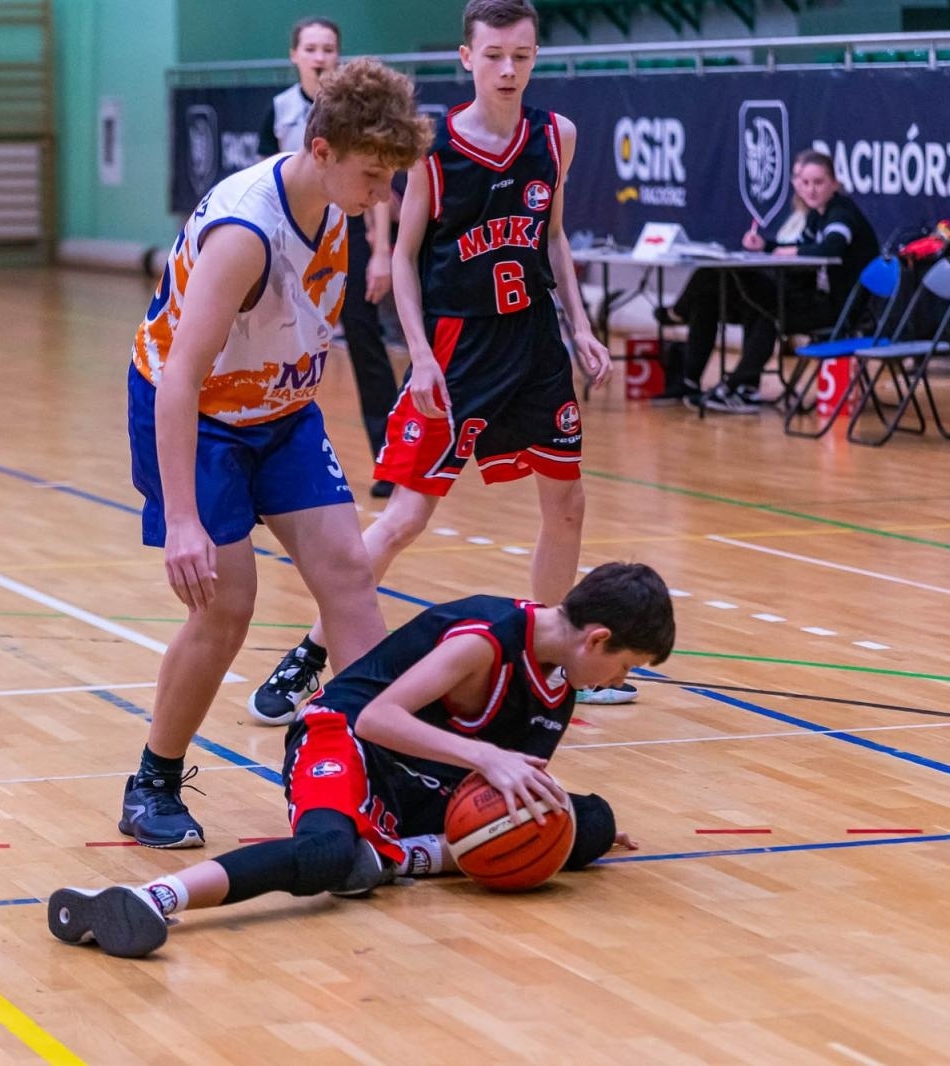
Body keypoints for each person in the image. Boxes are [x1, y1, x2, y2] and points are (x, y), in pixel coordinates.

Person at [251, 0, 626, 726]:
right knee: (403, 519)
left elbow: (552, 238)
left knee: (568, 503)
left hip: (535, 344)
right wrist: (419, 356)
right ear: (466, 59)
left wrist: (581, 326)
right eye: (493, 55)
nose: (508, 69)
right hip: (458, 348)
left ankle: (547, 664)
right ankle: (309, 652)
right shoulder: (436, 148)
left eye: (521, 54)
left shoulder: (559, 136)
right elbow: (403, 255)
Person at [48, 562, 674, 958]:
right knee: (323, 854)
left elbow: (505, 783)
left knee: (583, 823)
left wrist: (553, 821)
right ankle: (147, 899)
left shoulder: (558, 684)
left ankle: (386, 856)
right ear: (596, 638)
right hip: (344, 734)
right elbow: (380, 719)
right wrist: (485, 756)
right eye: (624, 665)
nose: (618, 678)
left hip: (420, 769)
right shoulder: (485, 639)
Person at [118, 58, 431, 850]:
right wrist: (183, 519)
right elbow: (179, 377)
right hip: (202, 415)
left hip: (283, 413)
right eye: (373, 175)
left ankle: (375, 771)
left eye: (391, 178)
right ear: (321, 151)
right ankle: (152, 778)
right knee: (226, 607)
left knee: (349, 580)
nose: (382, 196)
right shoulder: (245, 234)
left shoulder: (338, 200)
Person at [260, 17, 400, 500]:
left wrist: (381, 251)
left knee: (365, 340)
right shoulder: (278, 110)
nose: (320, 57)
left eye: (328, 48)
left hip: (347, 233)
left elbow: (379, 184)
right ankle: (270, 455)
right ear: (295, 55)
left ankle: (389, 458)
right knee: (279, 343)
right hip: (291, 238)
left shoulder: (356, 115)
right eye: (311, 48)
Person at [665, 150, 878, 414]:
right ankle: (706, 382)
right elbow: (804, 247)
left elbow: (831, 248)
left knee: (767, 310)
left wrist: (791, 252)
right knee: (714, 285)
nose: (811, 190)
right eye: (805, 183)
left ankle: (741, 385)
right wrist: (766, 245)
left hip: (843, 309)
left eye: (819, 182)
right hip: (818, 298)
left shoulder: (841, 213)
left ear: (834, 183)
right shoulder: (816, 215)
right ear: (797, 184)